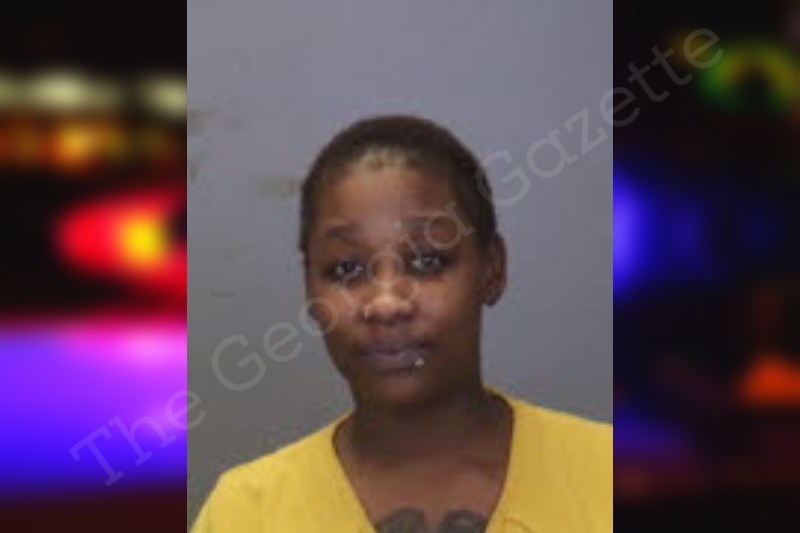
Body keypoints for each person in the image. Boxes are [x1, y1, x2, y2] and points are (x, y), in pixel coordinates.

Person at [192, 115, 612, 532]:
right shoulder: (247, 512)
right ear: (309, 287)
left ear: (492, 268)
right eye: (346, 268)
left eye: (427, 260)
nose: (386, 303)